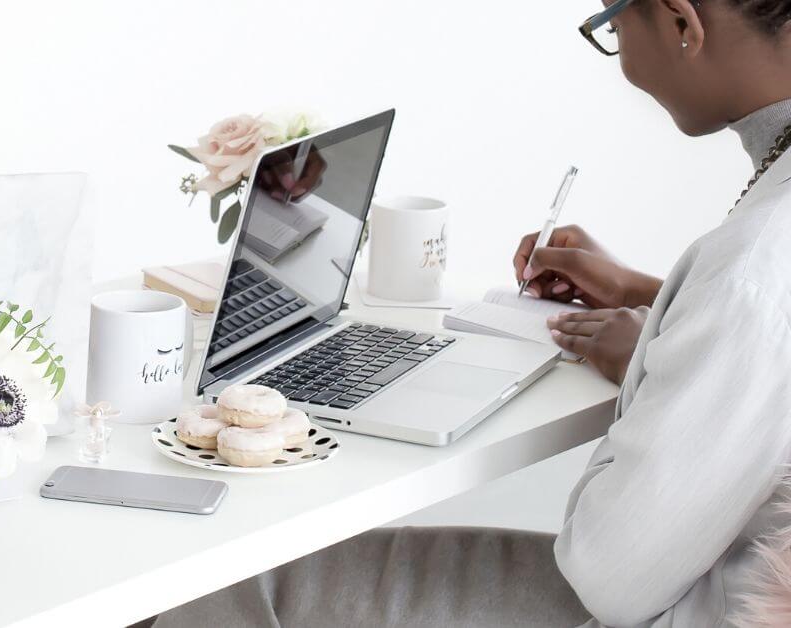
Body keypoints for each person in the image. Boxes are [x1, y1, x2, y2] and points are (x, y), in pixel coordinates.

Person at [151, 0, 791, 626]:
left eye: (613, 25)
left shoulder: (753, 267)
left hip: (692, 606)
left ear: (682, 22)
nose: (619, 54)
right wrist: (649, 299)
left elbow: (610, 576)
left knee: (225, 584)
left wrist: (655, 358)